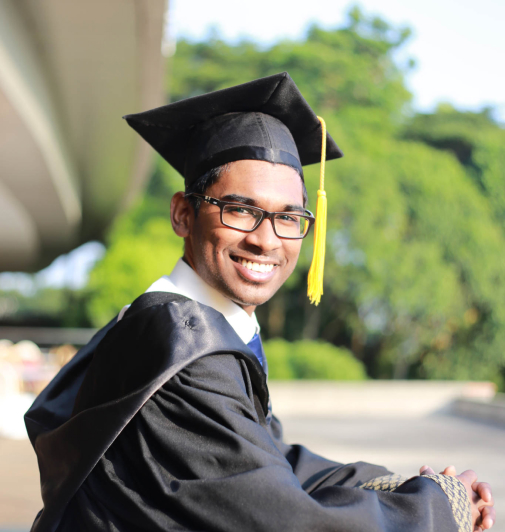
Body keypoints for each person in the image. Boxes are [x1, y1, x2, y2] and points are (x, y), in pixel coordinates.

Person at [25, 72, 495, 532]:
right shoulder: (181, 351)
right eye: (241, 210)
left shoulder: (193, 328)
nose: (266, 240)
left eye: (289, 217)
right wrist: (438, 508)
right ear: (182, 214)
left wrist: (404, 486)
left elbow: (272, 459)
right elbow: (288, 520)